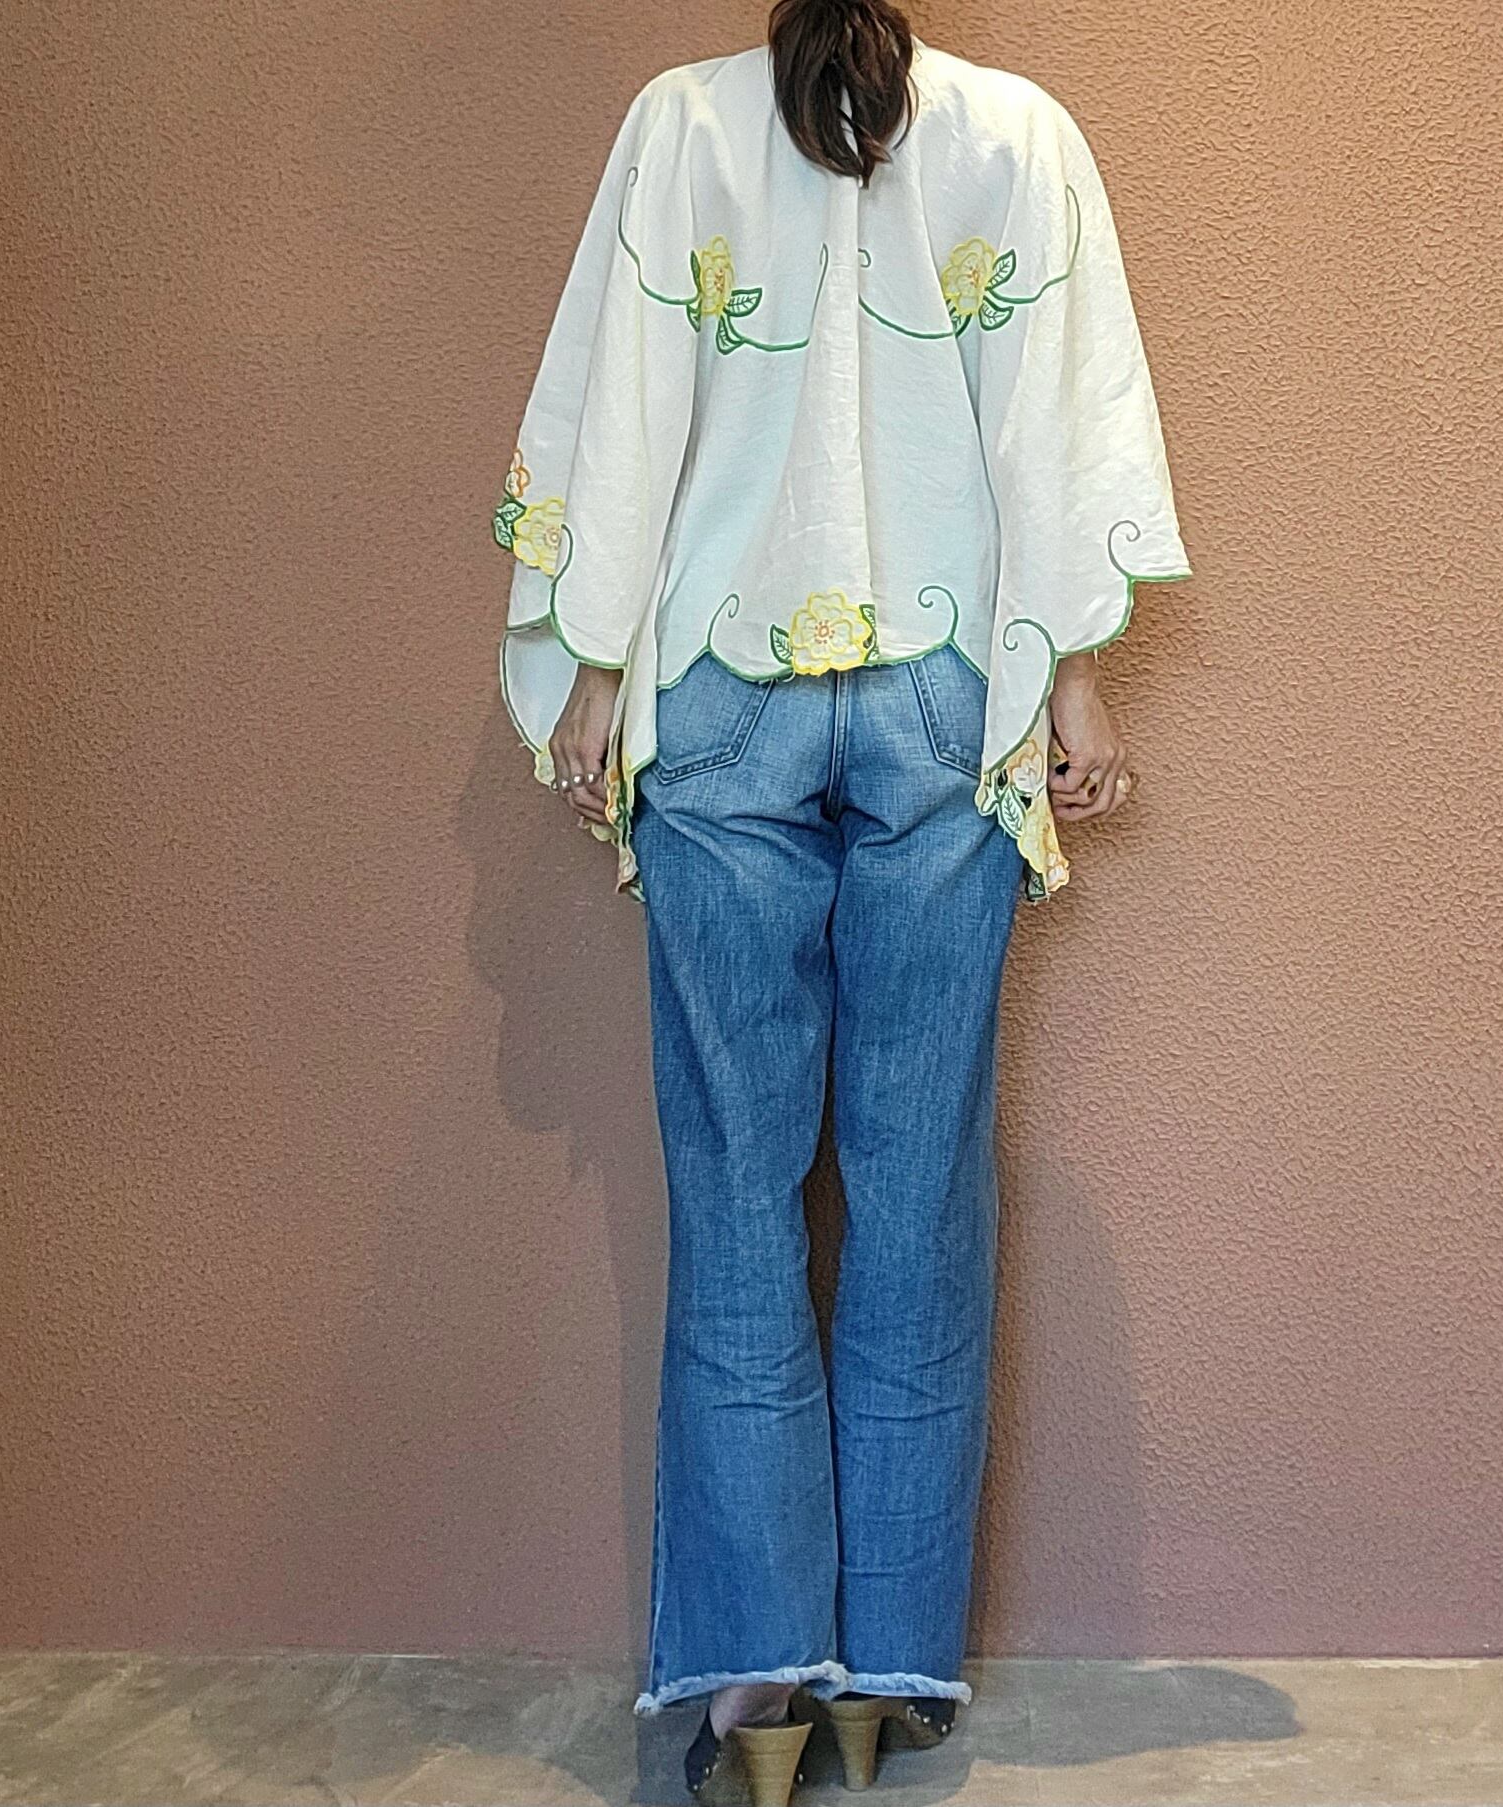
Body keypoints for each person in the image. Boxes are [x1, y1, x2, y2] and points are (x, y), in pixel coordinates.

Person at [491, 2, 1191, 1800]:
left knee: (735, 1194)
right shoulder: (1019, 135)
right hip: (945, 689)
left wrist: (592, 664)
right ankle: (883, 1674)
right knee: (917, 1184)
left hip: (718, 676)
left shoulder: (681, 122)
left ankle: (755, 1694)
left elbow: (624, 398)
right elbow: (1060, 413)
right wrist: (1075, 681)